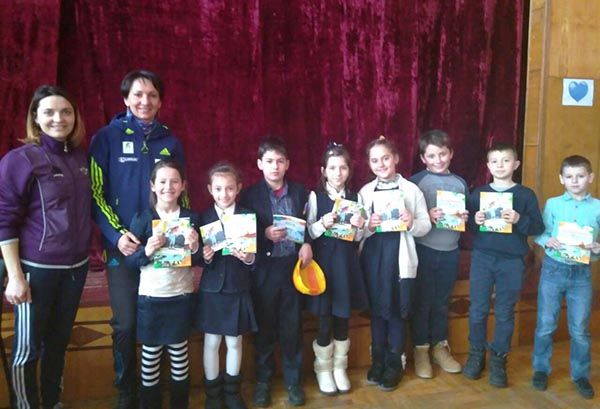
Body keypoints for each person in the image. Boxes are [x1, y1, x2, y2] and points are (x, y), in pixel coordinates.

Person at [89, 70, 186, 408]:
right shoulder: (106, 138)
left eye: (152, 95)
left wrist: (185, 235)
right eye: (138, 95)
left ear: (160, 101)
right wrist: (116, 235)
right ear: (126, 99)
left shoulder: (171, 141)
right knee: (126, 323)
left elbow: (182, 193)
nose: (145, 101)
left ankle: (156, 389)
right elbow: (95, 193)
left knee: (162, 318)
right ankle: (126, 390)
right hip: (123, 249)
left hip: (164, 250)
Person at [0, 85, 91, 409]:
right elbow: (4, 221)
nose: (58, 118)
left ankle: (53, 403)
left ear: (75, 117)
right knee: (27, 350)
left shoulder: (80, 158)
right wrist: (15, 276)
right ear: (35, 118)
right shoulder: (20, 160)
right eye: (49, 112)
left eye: (66, 112)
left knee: (58, 345)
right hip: (37, 271)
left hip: (76, 269)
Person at [239, 136, 313, 407]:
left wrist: (307, 243)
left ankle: (294, 382)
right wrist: (264, 233)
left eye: (280, 161)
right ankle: (263, 381)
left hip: (292, 268)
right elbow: (243, 233)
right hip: (265, 271)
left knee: (292, 327)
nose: (275, 166)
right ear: (260, 164)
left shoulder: (300, 192)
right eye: (269, 161)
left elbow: (309, 224)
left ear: (287, 164)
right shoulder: (250, 195)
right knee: (265, 328)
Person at [463, 142, 544, 387]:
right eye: (495, 161)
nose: (500, 165)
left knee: (505, 312)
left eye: (506, 161)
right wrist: (475, 220)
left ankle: (499, 358)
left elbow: (537, 228)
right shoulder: (478, 193)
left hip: (512, 261)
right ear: (488, 166)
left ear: (516, 164)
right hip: (482, 259)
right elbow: (468, 226)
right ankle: (476, 354)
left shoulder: (525, 195)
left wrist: (519, 219)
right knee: (477, 309)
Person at [126, 160, 200, 409]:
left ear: (183, 186)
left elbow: (202, 260)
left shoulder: (191, 218)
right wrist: (146, 250)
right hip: (151, 298)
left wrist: (195, 246)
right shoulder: (142, 219)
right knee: (150, 357)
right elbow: (130, 262)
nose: (168, 187)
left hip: (181, 297)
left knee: (180, 355)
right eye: (163, 181)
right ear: (153, 186)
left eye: (174, 181)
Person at [359, 136, 431, 391]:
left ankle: (395, 363)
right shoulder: (365, 192)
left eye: (385, 158)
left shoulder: (411, 190)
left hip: (399, 259)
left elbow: (425, 225)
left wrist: (411, 222)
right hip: (373, 259)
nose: (381, 164)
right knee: (378, 311)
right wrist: (368, 225)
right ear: (369, 164)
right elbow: (356, 231)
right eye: (375, 160)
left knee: (397, 311)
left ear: (396, 158)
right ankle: (378, 361)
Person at [531, 155, 600, 399]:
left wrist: (597, 247)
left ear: (590, 177)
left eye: (580, 176)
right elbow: (540, 233)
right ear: (561, 179)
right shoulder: (553, 204)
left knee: (580, 329)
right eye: (569, 176)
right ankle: (541, 369)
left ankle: (580, 374)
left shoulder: (598, 207)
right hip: (553, 270)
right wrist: (546, 240)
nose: (575, 181)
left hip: (581, 275)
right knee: (545, 325)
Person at [305, 143, 368, 395]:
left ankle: (339, 367)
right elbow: (307, 233)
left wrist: (360, 226)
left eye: (343, 167)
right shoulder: (315, 197)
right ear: (323, 171)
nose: (338, 172)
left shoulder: (356, 198)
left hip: (346, 266)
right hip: (323, 266)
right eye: (332, 168)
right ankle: (322, 369)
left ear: (349, 170)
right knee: (324, 319)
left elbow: (358, 238)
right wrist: (322, 223)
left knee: (343, 318)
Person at [195, 162, 257, 409]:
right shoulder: (202, 218)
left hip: (237, 287)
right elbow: (196, 257)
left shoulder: (247, 216)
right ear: (210, 189)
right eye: (219, 189)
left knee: (234, 342)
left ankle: (232, 393)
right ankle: (213, 395)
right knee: (211, 343)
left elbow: (255, 258)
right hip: (212, 289)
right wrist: (204, 256)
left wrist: (248, 257)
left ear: (239, 188)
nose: (224, 194)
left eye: (230, 188)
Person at [409, 130, 468, 378]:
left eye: (442, 154)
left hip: (450, 252)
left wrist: (465, 216)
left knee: (442, 302)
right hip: (424, 250)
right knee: (422, 302)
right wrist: (427, 216)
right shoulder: (415, 182)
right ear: (423, 158)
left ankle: (439, 347)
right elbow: (408, 218)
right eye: (432, 156)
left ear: (450, 153)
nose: (438, 160)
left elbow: (468, 217)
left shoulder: (460, 183)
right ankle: (421, 349)